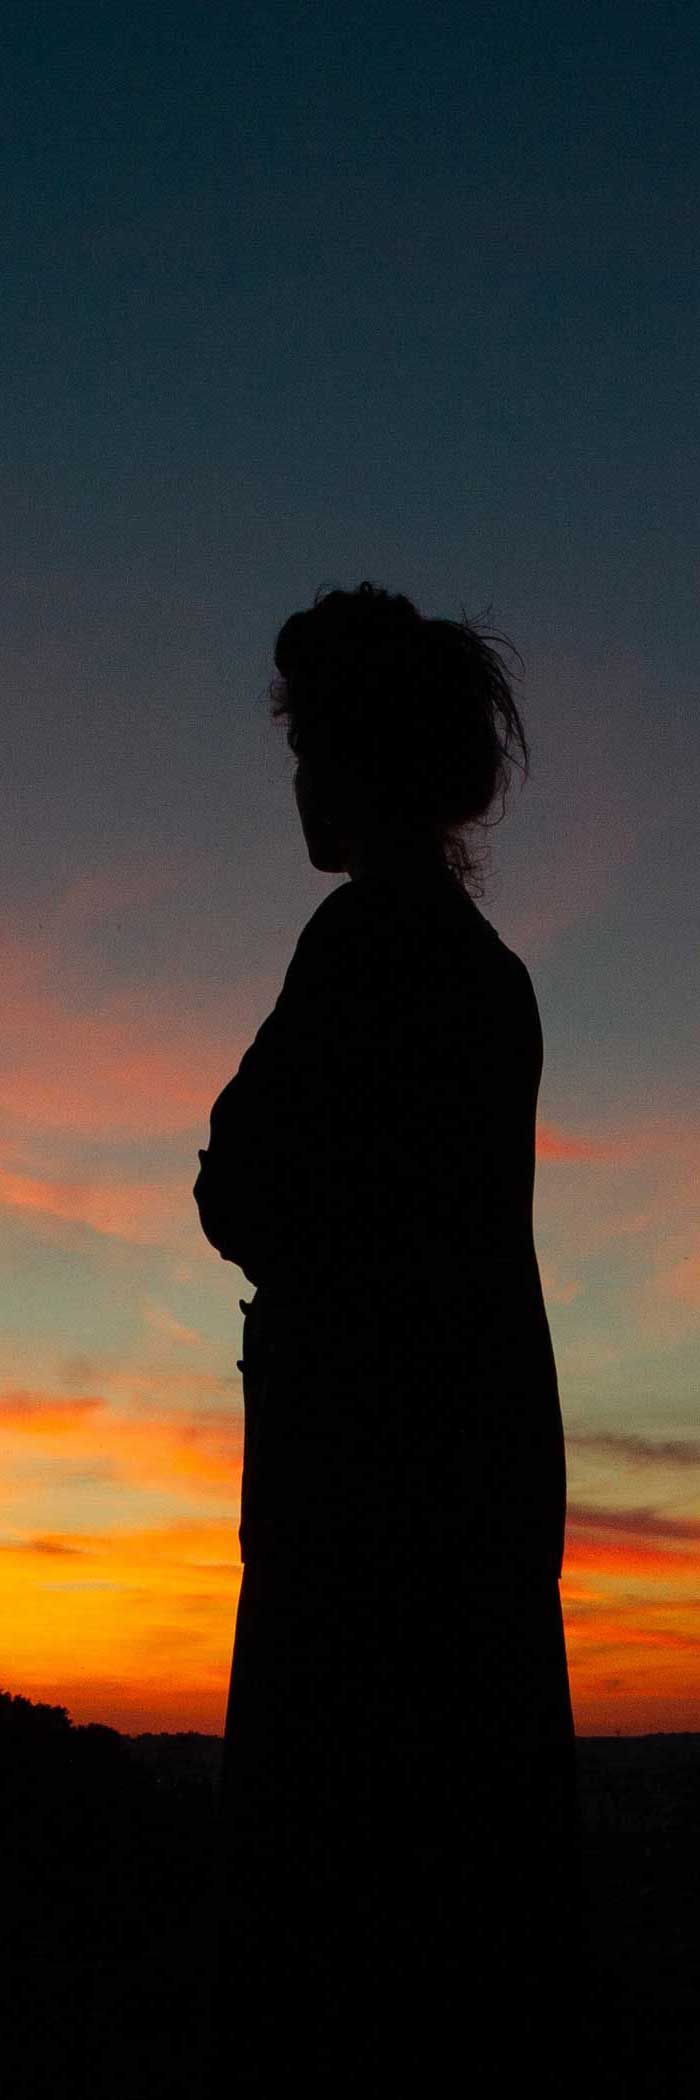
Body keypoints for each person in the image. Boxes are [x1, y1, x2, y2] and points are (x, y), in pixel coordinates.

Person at [193, 581, 588, 2095]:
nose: (296, 777)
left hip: (366, 1532)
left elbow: (244, 1178)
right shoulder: (486, 971)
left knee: (345, 1956)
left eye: (308, 746)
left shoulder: (368, 942)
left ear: (362, 758)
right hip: (467, 1516)